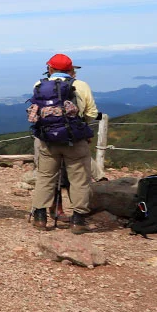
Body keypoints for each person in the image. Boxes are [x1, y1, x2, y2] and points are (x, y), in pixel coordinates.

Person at [29, 54, 95, 234]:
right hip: (75, 140)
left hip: (48, 140)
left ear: (50, 68)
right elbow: (91, 113)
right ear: (71, 69)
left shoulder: (40, 85)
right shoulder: (80, 85)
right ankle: (78, 220)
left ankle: (40, 217)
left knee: (45, 177)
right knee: (79, 179)